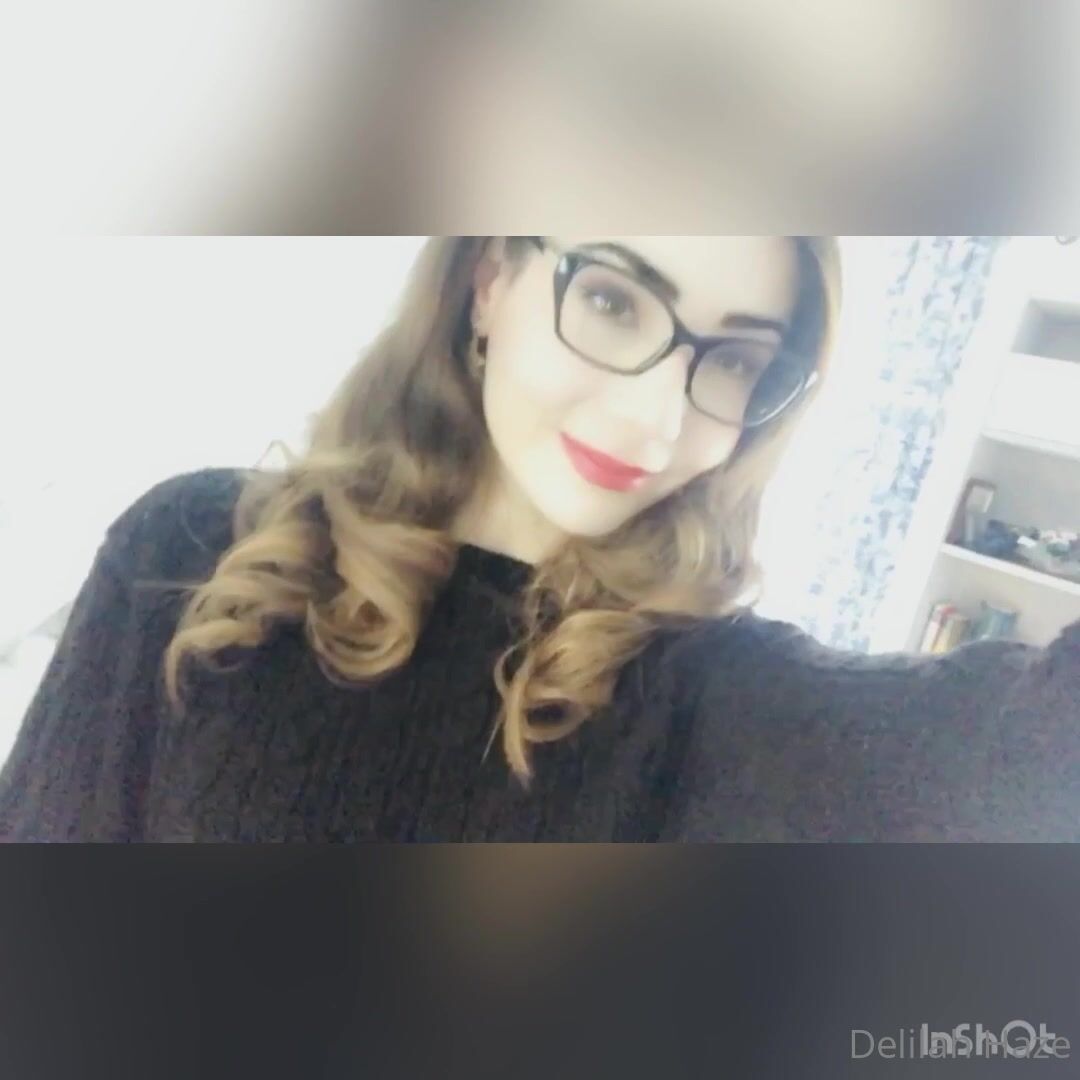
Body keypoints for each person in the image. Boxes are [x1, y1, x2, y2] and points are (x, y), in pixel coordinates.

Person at [1, 236, 1077, 842]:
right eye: (612, 301)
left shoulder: (710, 698)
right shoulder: (195, 550)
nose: (656, 419)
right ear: (490, 280)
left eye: (736, 361)